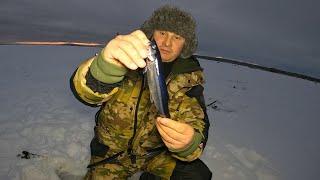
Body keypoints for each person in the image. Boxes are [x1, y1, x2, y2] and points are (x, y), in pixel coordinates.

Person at [71, 5, 212, 180]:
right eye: (162, 33)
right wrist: (105, 70)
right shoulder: (126, 59)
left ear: (185, 44)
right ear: (151, 33)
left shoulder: (189, 79)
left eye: (177, 37)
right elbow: (86, 94)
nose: (167, 43)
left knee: (196, 175)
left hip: (154, 154)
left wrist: (188, 142)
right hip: (112, 154)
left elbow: (197, 122)